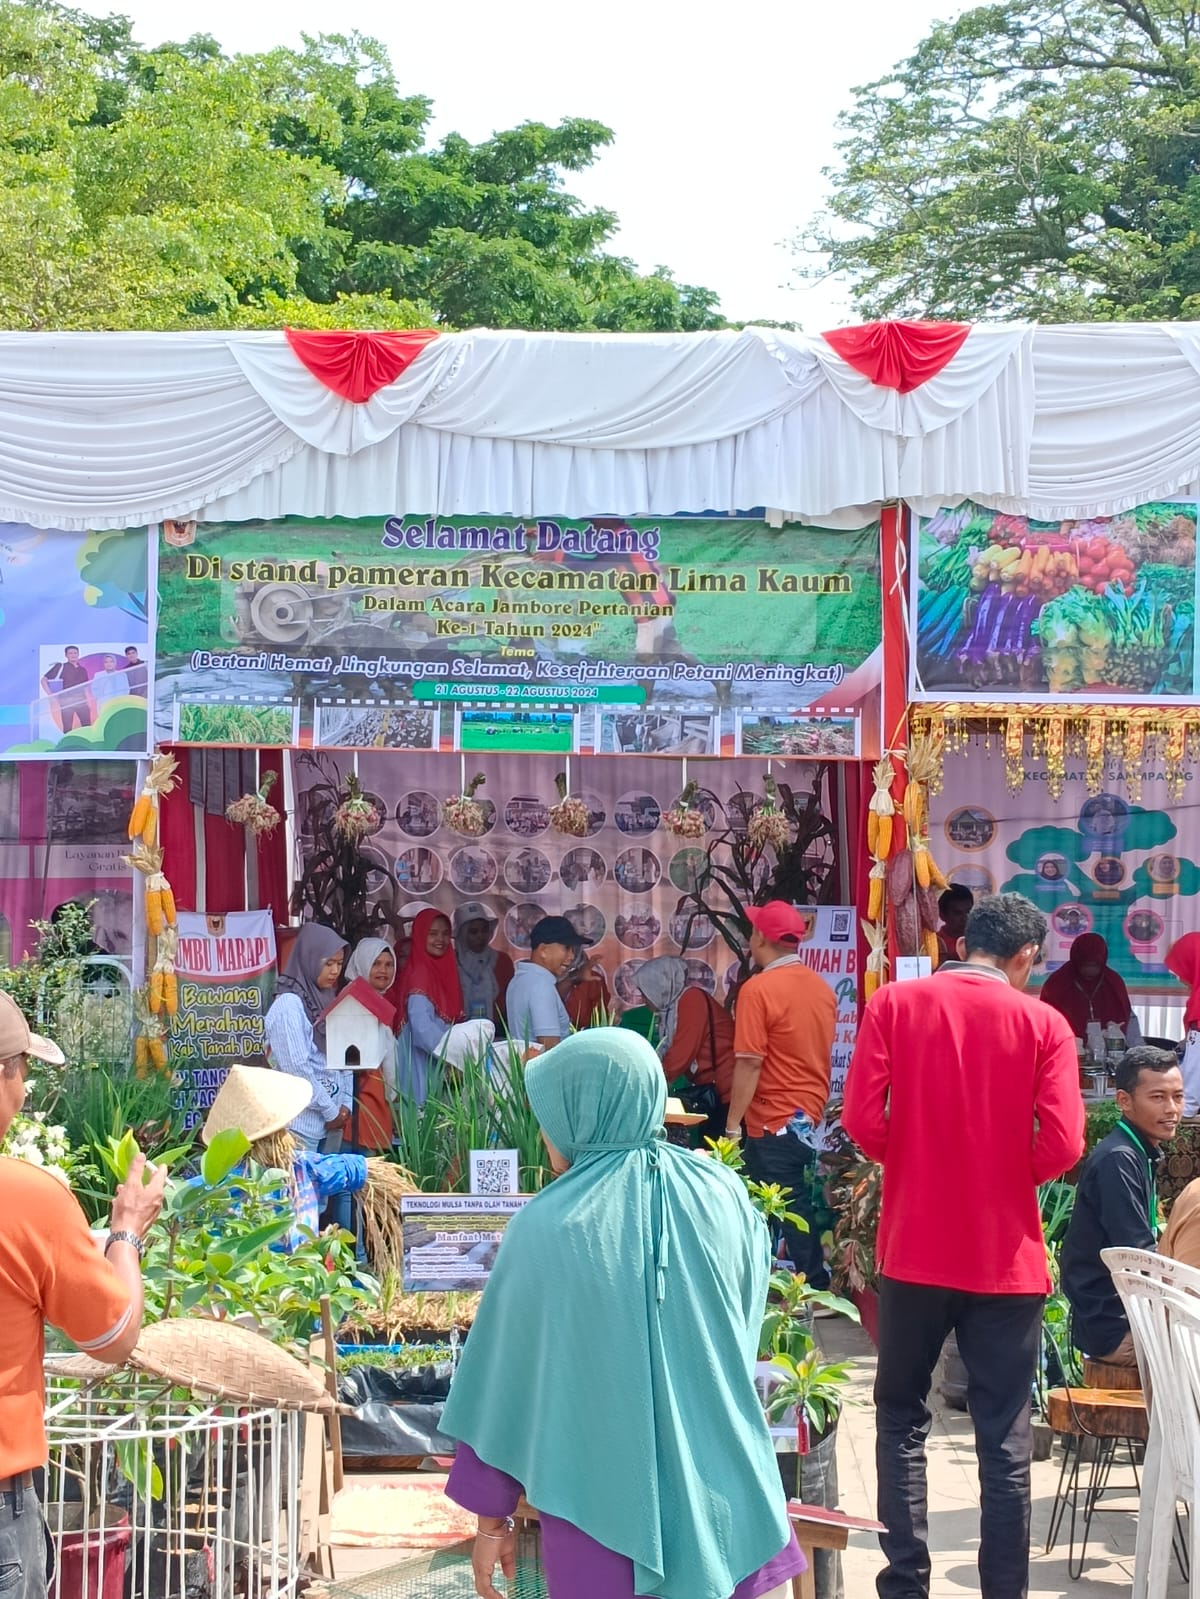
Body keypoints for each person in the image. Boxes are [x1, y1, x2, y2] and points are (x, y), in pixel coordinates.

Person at [442, 1028, 806, 1599]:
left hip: (599, 1514)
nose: (544, 1134)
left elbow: (504, 1380)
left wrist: (494, 1521)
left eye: (552, 1112)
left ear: (585, 1110)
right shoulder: (725, 1193)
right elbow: (743, 1315)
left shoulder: (547, 1227)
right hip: (730, 1506)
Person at [843, 892, 1084, 1599]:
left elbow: (861, 1119)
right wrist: (1006, 1172)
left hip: (915, 1245)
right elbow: (1064, 1142)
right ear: (1025, 958)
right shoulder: (1045, 1024)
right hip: (1005, 1258)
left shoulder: (894, 1005)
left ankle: (905, 1584)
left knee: (900, 1416)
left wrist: (915, 1156)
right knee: (1003, 1434)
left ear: (958, 944)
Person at [0, 991, 166, 1598]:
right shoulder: (29, 1200)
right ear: (6, 1076)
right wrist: (126, 1229)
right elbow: (114, 1335)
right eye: (24, 1074)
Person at [727, 901, 836, 1284]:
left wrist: (731, 1126)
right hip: (806, 1115)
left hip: (770, 1116)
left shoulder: (758, 990)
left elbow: (749, 1062)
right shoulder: (821, 989)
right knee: (791, 1200)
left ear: (760, 937)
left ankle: (813, 1283)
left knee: (782, 1203)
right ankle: (793, 1280)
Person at [1061, 1046, 1184, 1366]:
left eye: (1178, 1097)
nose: (1172, 1108)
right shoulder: (1119, 1159)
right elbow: (1139, 1255)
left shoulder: (1136, 1150)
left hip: (1126, 1317)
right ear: (1124, 1101)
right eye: (1157, 1097)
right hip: (1117, 1328)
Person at [200, 1062, 368, 1249]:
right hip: (301, 1271)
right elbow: (351, 1168)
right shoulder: (303, 1168)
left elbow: (178, 1205)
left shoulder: (210, 1186)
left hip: (236, 1276)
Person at [264, 923, 350, 1153]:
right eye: (328, 963)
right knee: (300, 1188)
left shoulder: (328, 998)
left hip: (330, 1123)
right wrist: (331, 1111)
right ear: (310, 958)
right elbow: (297, 1070)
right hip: (298, 1126)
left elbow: (346, 1055)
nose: (335, 971)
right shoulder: (289, 1005)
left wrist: (346, 1105)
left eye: (339, 964)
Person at [637, 955, 735, 1144]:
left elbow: (680, 1055)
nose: (643, 999)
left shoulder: (691, 1000)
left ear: (659, 985)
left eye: (645, 992)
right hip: (717, 1090)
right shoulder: (671, 1009)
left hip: (726, 1090)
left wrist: (649, 1084)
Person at [394, 909, 465, 1103]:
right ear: (420, 935)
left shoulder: (439, 969)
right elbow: (421, 1028)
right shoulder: (421, 972)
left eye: (444, 934)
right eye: (432, 934)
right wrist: (452, 1057)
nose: (440, 939)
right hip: (423, 1059)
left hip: (435, 1058)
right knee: (422, 1120)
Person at [341, 938, 398, 1152]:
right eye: (376, 964)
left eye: (388, 964)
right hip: (361, 1102)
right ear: (363, 964)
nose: (383, 970)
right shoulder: (354, 1000)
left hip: (373, 1101)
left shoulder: (374, 999)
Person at [505, 915, 588, 1050]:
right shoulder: (541, 986)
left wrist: (576, 977)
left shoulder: (520, 980)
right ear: (543, 950)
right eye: (567, 948)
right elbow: (549, 1048)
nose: (572, 956)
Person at [1039, 932, 1135, 1042]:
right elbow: (1045, 1022)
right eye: (1085, 965)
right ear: (1076, 961)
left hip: (1110, 1051)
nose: (1090, 971)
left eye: (1095, 965)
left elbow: (1128, 1018)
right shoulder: (1057, 984)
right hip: (1067, 1049)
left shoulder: (1113, 982)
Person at [453, 902, 515, 1026]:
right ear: (462, 934)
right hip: (458, 1029)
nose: (481, 936)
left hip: (498, 1028)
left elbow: (511, 1000)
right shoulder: (450, 962)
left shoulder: (502, 960)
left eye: (484, 930)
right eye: (474, 932)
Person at [41, 646, 92, 730]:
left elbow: (86, 687)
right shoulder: (60, 667)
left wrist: (88, 702)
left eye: (75, 653)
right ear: (66, 655)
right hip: (66, 702)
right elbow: (43, 680)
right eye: (70, 653)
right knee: (67, 728)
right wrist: (50, 695)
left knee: (87, 727)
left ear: (78, 654)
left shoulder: (83, 670)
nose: (73, 655)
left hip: (82, 701)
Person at [936, 885, 973, 964]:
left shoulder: (980, 942)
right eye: (958, 913)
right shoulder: (936, 944)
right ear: (942, 915)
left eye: (969, 912)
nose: (965, 918)